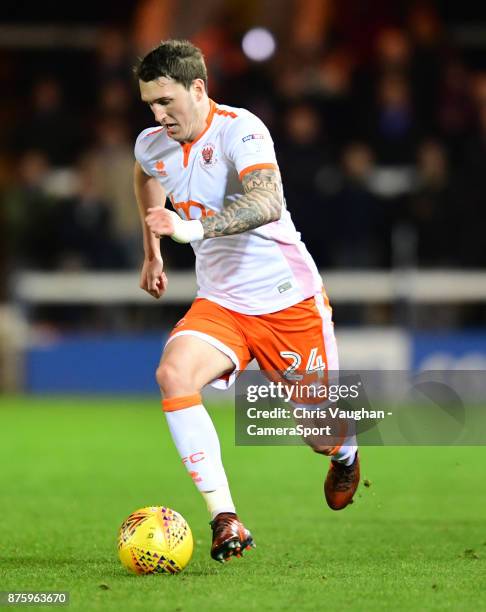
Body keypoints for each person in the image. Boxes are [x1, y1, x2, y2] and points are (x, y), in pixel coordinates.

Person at [133, 39, 360, 563]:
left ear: (198, 88)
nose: (158, 114)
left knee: (320, 434)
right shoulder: (153, 143)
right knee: (173, 374)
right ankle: (225, 517)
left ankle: (345, 452)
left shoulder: (242, 129)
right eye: (149, 104)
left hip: (287, 300)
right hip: (223, 304)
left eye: (167, 101)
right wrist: (152, 252)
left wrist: (188, 230)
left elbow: (266, 200)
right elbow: (145, 174)